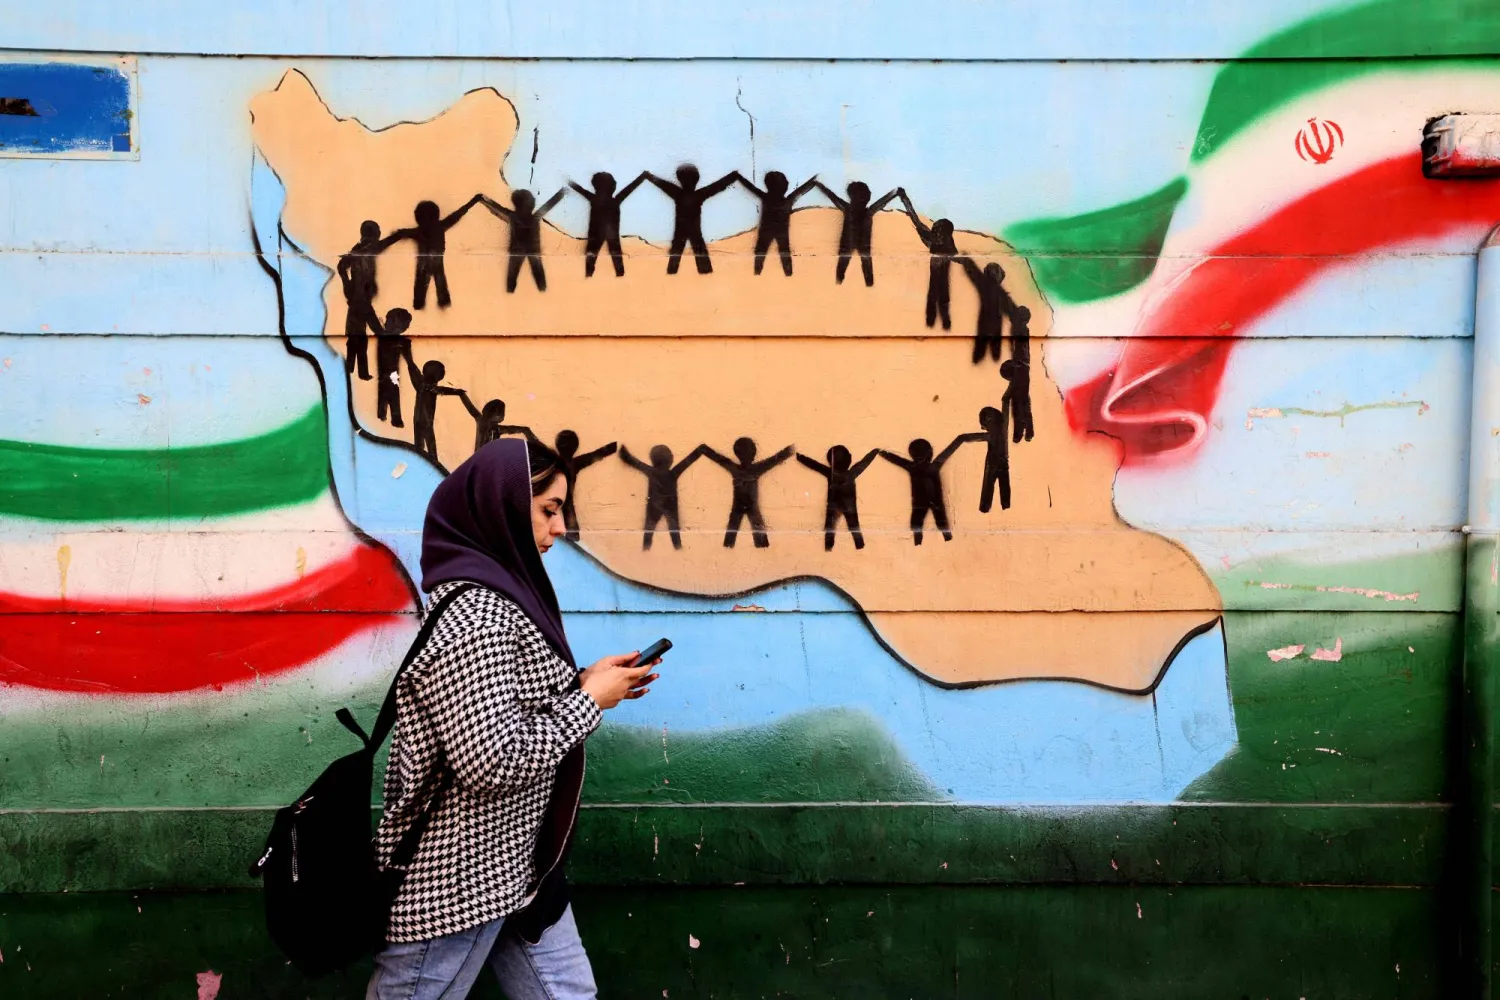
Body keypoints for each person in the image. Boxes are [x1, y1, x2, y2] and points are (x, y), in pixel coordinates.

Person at [367, 439, 661, 1000]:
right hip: (458, 880)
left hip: (517, 866)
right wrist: (589, 701)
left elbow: (503, 705)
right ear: (501, 504)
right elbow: (490, 760)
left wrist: (580, 682)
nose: (559, 529)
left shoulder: (502, 599)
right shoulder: (478, 614)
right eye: (549, 509)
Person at [384, 196, 484, 310]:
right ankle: (438, 306)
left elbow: (400, 234)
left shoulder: (420, 231)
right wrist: (473, 201)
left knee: (424, 290)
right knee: (438, 288)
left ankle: (424, 306)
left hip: (424, 265)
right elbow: (458, 214)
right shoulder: (438, 227)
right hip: (434, 263)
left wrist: (383, 243)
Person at [645, 164, 740, 274]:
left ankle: (672, 272)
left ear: (680, 180)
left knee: (676, 254)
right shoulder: (699, 194)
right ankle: (704, 273)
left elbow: (662, 184)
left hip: (680, 231)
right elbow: (717, 186)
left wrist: (648, 176)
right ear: (696, 180)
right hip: (694, 230)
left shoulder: (678, 193)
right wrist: (733, 176)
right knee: (700, 255)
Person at [812, 180, 899, 286]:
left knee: (843, 272)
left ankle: (840, 286)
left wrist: (819, 185)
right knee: (864, 271)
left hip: (848, 246)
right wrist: (895, 192)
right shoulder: (868, 212)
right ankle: (865, 287)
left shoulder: (850, 209)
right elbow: (883, 201)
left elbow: (831, 196)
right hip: (860, 247)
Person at [481, 189, 567, 292]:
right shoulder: (535, 217)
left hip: (516, 252)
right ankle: (542, 291)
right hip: (533, 252)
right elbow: (549, 204)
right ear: (527, 203)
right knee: (539, 277)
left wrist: (484, 199)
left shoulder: (513, 216)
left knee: (512, 278)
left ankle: (510, 293)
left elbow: (497, 207)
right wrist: (561, 193)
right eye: (532, 199)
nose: (534, 200)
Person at [895, 189, 958, 330]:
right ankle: (937, 323)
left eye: (938, 232)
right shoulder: (936, 240)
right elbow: (914, 218)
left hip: (940, 281)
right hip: (937, 281)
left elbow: (915, 219)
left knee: (940, 300)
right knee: (937, 300)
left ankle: (941, 324)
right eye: (935, 231)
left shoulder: (946, 244)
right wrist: (904, 199)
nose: (936, 234)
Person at [737, 170, 820, 276]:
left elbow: (750, 187)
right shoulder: (787, 200)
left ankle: (757, 274)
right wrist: (814, 180)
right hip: (781, 233)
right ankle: (788, 275)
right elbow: (803, 189)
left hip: (766, 232)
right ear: (784, 186)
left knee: (760, 253)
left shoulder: (766, 198)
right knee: (784, 254)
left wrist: (738, 176)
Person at [570, 171, 649, 277]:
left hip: (595, 235)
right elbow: (630, 188)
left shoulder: (595, 199)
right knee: (616, 258)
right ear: (613, 186)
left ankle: (589, 276)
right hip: (611, 235)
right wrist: (643, 177)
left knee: (591, 257)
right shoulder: (615, 201)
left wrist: (567, 180)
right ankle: (619, 276)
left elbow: (578, 189)